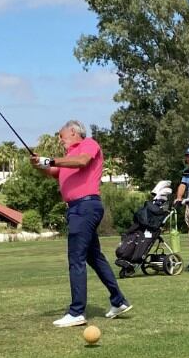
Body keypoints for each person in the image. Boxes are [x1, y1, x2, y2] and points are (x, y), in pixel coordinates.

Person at [31, 120, 131, 327]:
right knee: (94, 257)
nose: (59, 139)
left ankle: (77, 311)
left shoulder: (88, 144)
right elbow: (52, 173)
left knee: (76, 257)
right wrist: (39, 165)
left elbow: (82, 161)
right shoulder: (66, 158)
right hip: (77, 209)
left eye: (61, 135)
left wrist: (48, 160)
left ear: (74, 132)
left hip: (85, 207)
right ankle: (118, 301)